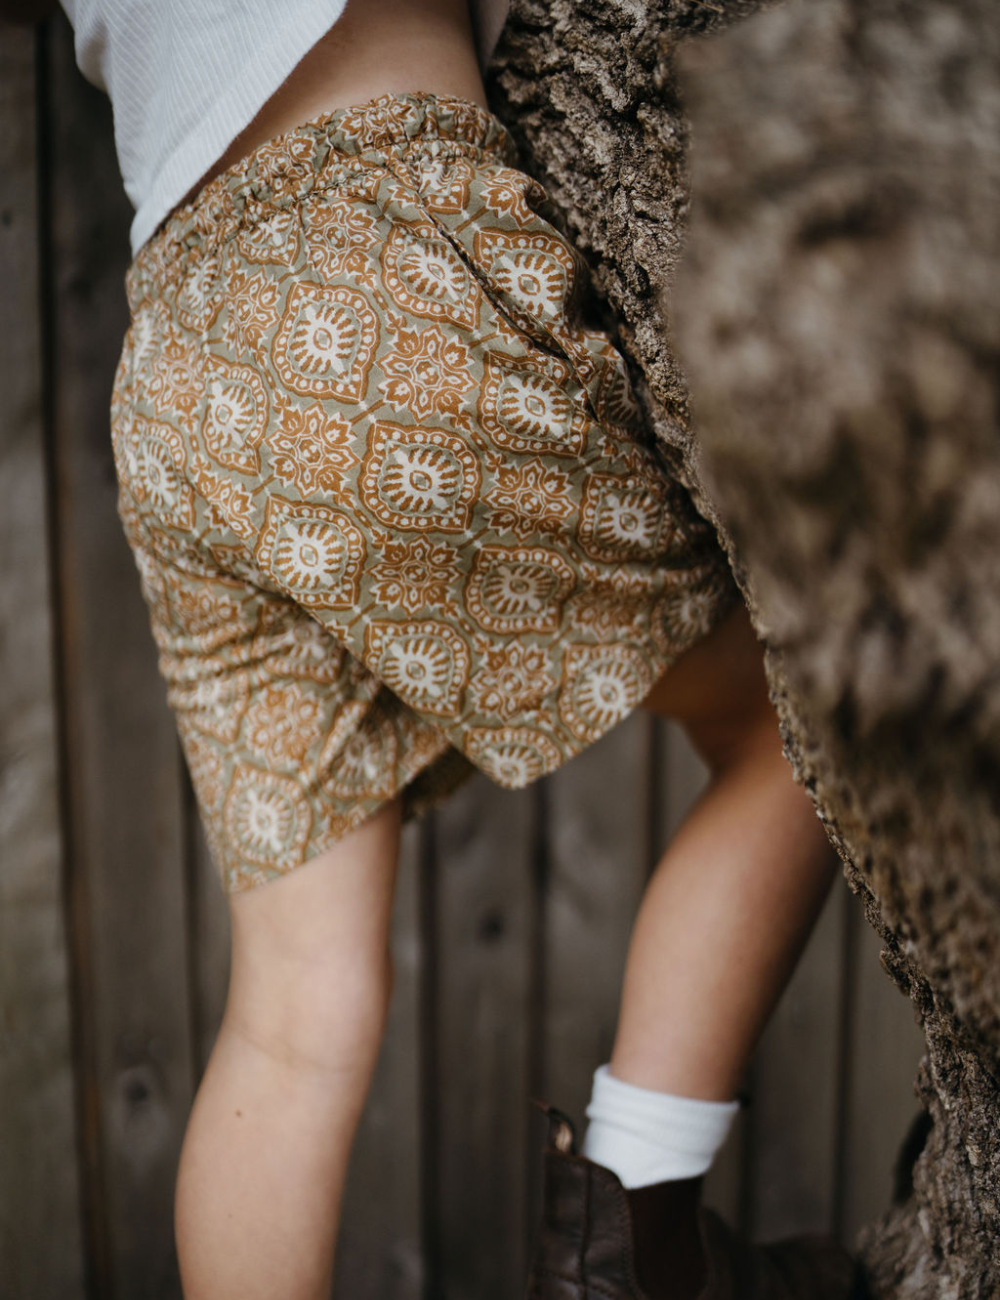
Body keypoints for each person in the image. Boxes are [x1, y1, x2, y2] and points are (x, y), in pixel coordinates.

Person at [11, 0, 862, 1296]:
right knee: (809, 722)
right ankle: (639, 1255)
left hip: (179, 358)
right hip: (364, 254)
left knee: (296, 1017)